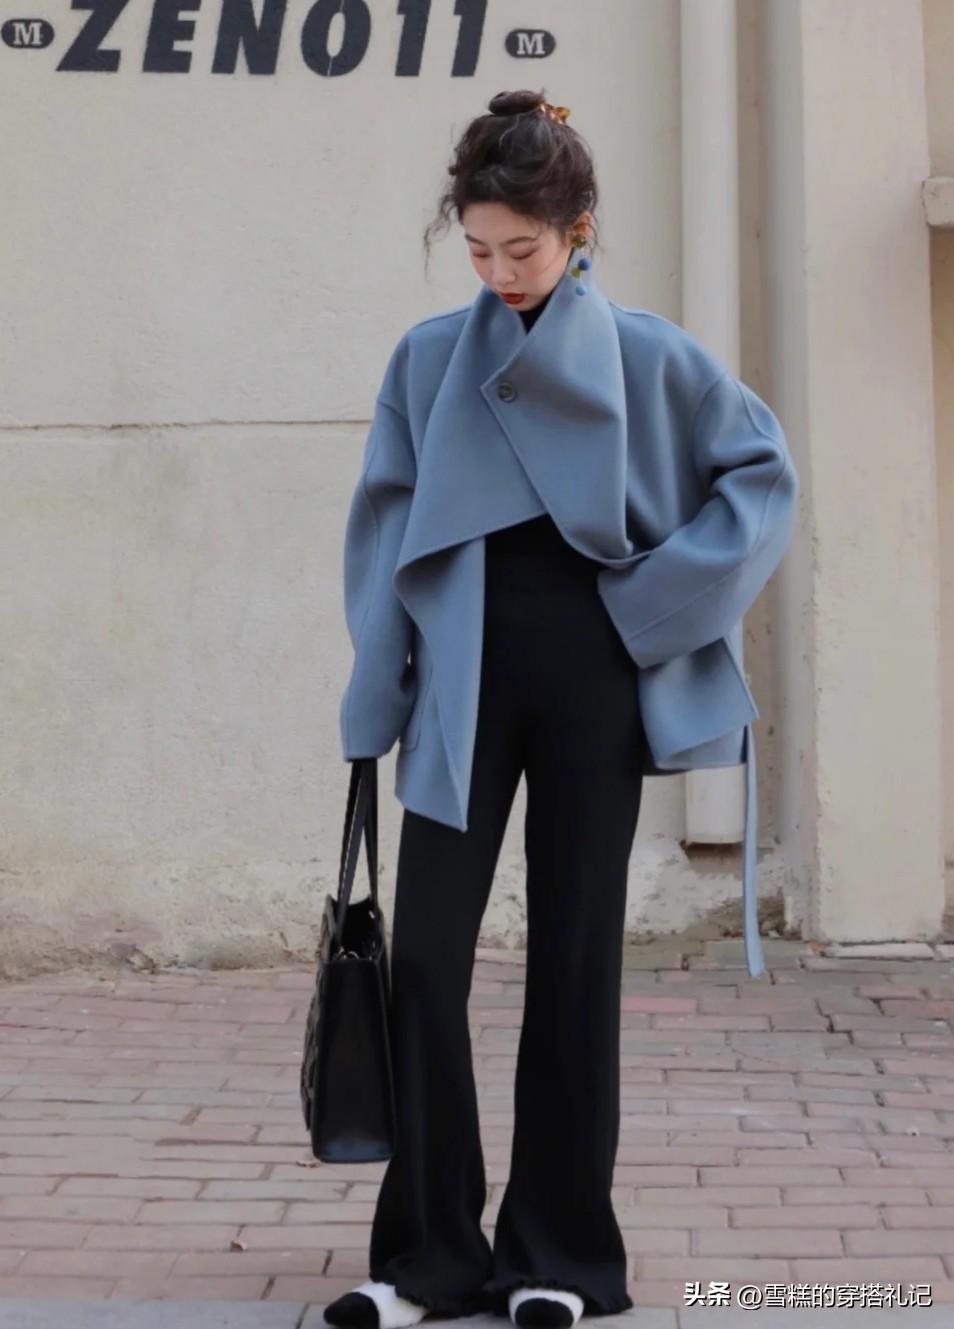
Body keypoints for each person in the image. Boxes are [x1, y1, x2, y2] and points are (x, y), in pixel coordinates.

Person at [325, 89, 798, 1329]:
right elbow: (383, 532)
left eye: (522, 250)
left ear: (578, 229)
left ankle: (562, 1259)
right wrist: (375, 690)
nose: (499, 273)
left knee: (575, 964)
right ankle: (427, 1260)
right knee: (426, 960)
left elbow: (763, 478)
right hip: (463, 681)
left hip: (596, 680)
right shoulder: (429, 359)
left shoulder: (650, 354)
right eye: (479, 250)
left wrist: (652, 609)